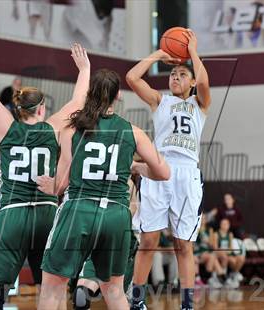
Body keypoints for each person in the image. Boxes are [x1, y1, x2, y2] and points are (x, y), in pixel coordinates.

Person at [0, 24, 90, 310]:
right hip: (45, 211)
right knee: (51, 287)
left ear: (18, 108)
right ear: (41, 108)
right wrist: (84, 69)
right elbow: (79, 100)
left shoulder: (6, 127)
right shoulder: (52, 128)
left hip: (12, 214)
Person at [36, 68, 170, 309]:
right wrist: (137, 167)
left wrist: (51, 186)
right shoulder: (133, 131)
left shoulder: (71, 129)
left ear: (90, 93)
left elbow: (62, 184)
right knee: (114, 290)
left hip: (79, 210)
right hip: (116, 215)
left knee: (53, 286)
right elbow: (164, 172)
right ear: (117, 95)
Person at [126, 29, 211, 310]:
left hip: (187, 173)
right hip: (160, 169)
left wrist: (193, 51)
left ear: (191, 82)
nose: (175, 78)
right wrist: (159, 55)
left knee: (183, 245)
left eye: (182, 75)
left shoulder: (199, 105)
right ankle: (137, 300)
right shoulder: (159, 101)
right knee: (148, 239)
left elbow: (205, 81)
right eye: (172, 75)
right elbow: (131, 78)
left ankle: (187, 304)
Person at [69, 178, 140, 309]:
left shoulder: (87, 178)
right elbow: (133, 208)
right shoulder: (125, 179)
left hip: (105, 233)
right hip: (116, 233)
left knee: (83, 294)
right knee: (114, 295)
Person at [194, 215, 226, 289]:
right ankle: (214, 278)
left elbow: (212, 245)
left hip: (207, 252)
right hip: (198, 252)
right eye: (201, 218)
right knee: (212, 256)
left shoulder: (209, 230)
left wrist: (207, 241)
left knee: (213, 257)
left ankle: (211, 279)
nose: (203, 220)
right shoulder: (195, 229)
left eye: (204, 218)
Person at [212, 218, 245, 288]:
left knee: (241, 258)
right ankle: (223, 278)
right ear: (220, 225)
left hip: (227, 254)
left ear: (229, 226)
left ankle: (234, 274)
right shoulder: (216, 234)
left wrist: (227, 251)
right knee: (226, 257)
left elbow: (231, 248)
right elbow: (215, 248)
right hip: (219, 254)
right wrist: (224, 251)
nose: (225, 226)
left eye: (226, 224)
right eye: (223, 224)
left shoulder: (230, 234)